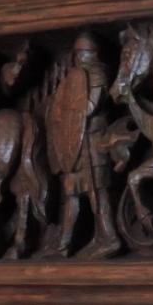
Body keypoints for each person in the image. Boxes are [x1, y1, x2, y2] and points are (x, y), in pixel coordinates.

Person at [45, 32, 122, 259]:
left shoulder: (98, 74)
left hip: (92, 142)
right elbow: (62, 113)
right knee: (71, 193)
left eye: (81, 53)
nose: (77, 57)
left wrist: (70, 105)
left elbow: (88, 108)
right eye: (76, 53)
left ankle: (109, 237)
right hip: (74, 147)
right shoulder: (72, 78)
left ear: (91, 53)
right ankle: (64, 244)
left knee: (97, 192)